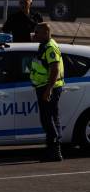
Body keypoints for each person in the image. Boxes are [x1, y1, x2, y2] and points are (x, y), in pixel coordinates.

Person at [30, 22, 65, 162]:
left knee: (47, 119)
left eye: (37, 32)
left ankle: (55, 150)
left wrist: (48, 90)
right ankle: (53, 150)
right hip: (45, 87)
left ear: (45, 33)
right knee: (51, 118)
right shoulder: (45, 44)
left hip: (48, 87)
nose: (34, 34)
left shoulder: (50, 47)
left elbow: (55, 69)